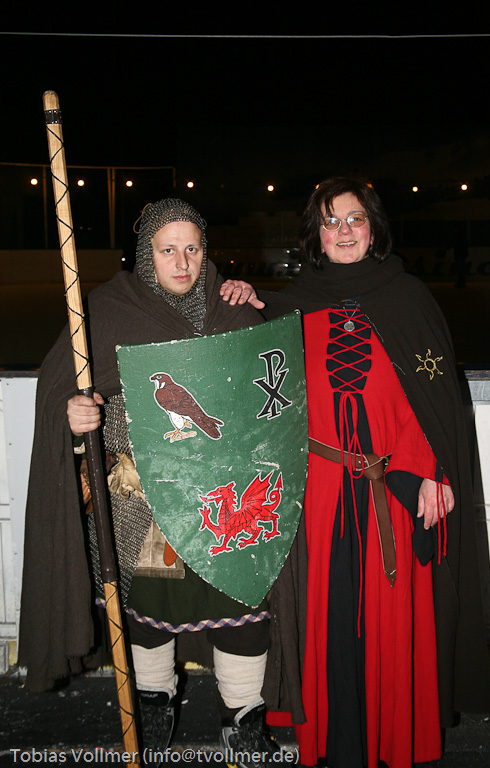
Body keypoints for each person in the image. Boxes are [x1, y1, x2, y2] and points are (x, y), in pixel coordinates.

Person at [19, 198, 306, 766]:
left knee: (243, 607)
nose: (182, 262)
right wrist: (75, 416)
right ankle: (152, 704)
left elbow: (271, 394)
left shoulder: (231, 311)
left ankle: (243, 717)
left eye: (192, 248)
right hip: (146, 503)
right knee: (148, 614)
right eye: (167, 250)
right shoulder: (110, 311)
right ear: (145, 255)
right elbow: (61, 390)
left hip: (228, 498)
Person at [222, 176, 490, 768]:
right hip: (318, 491)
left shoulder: (408, 299)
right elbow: (248, 378)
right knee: (326, 616)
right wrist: (241, 298)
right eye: (331, 221)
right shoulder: (290, 306)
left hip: (391, 488)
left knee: (390, 622)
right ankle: (330, 744)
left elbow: (432, 401)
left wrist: (430, 472)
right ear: (315, 236)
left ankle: (394, 742)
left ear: (374, 228)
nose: (343, 230)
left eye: (355, 219)